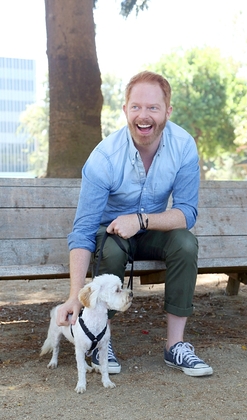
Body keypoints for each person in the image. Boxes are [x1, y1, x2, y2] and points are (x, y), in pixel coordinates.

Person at [57, 70, 213, 377]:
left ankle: (175, 346)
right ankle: (102, 342)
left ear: (168, 111)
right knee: (112, 248)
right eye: (136, 107)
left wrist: (140, 220)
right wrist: (75, 293)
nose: (144, 116)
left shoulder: (183, 146)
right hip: (111, 235)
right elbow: (84, 230)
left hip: (151, 230)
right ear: (126, 110)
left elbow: (186, 213)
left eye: (153, 108)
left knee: (185, 241)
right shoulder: (104, 158)